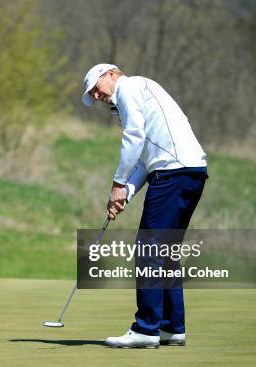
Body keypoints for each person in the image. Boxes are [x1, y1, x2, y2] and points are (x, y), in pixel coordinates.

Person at [82, 64, 208, 348]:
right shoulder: (141, 90)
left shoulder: (129, 87)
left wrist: (117, 183)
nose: (96, 96)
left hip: (173, 174)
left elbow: (134, 138)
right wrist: (124, 193)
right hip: (191, 172)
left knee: (149, 249)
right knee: (165, 252)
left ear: (111, 74)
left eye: (96, 88)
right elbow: (143, 160)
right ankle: (171, 328)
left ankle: (146, 328)